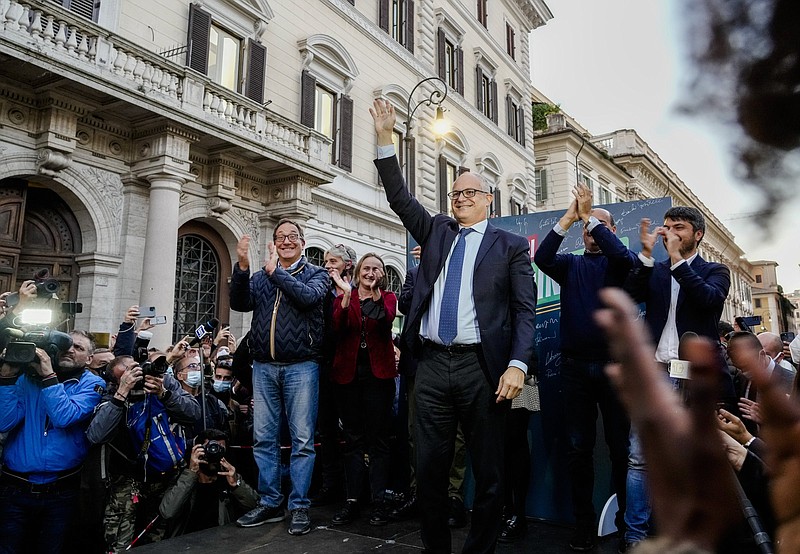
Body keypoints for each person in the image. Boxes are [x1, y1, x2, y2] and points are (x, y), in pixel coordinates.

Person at [370, 98, 538, 554]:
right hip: (429, 367)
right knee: (427, 472)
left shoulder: (510, 247)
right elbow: (400, 198)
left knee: (489, 474)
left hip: (481, 370)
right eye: (455, 193)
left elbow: (526, 310)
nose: (460, 198)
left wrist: (518, 365)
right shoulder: (437, 232)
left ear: (488, 199)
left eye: (469, 193)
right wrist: (385, 138)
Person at [621, 206, 733, 549]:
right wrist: (644, 254)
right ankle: (635, 537)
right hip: (655, 375)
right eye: (666, 226)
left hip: (693, 380)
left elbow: (708, 299)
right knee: (638, 458)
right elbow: (630, 293)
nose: (669, 232)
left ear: (697, 234)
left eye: (678, 227)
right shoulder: (655, 269)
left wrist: (677, 262)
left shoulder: (715, 269)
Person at [533, 183, 635, 550]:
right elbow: (542, 258)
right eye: (587, 228)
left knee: (620, 448)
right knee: (578, 449)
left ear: (610, 231)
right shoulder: (570, 264)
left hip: (614, 368)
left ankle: (627, 527)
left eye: (601, 226)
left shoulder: (620, 265)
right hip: (575, 369)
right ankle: (582, 524)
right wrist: (570, 217)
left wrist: (591, 217)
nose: (591, 232)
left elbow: (623, 257)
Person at [230, 220, 329, 536]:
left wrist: (276, 272)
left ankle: (299, 506)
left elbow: (306, 298)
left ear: (302, 242)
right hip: (264, 368)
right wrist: (243, 268)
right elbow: (239, 303)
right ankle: (271, 502)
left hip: (302, 367)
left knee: (301, 441)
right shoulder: (262, 277)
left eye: (292, 237)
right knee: (264, 439)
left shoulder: (318, 274)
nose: (286, 241)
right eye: (280, 237)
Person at [0, 327, 106, 553]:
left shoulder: (91, 384)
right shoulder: (27, 376)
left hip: (62, 491)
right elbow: (4, 422)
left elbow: (64, 416)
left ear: (89, 358)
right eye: (67, 345)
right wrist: (7, 378)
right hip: (15, 487)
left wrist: (48, 376)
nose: (70, 350)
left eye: (78, 348)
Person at [87, 354, 200, 552]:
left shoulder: (163, 383)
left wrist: (164, 394)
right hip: (127, 478)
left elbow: (194, 413)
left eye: (136, 369)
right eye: (127, 374)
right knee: (119, 541)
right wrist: (122, 393)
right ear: (115, 381)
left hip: (163, 477)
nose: (136, 376)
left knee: (159, 537)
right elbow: (96, 435)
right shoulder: (112, 394)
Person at [328, 252, 398, 527]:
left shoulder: (388, 297)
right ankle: (353, 500)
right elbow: (338, 326)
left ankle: (379, 500)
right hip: (348, 377)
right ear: (357, 273)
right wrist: (346, 297)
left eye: (377, 269)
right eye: (366, 269)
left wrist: (377, 292)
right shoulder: (344, 297)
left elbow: (386, 319)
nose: (371, 273)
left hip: (378, 377)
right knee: (353, 440)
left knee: (378, 439)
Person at [311, 243, 357, 507]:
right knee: (326, 430)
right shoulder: (322, 292)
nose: (327, 265)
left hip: (351, 368)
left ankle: (353, 488)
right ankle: (330, 485)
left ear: (347, 265)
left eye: (333, 261)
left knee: (352, 431)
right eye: (326, 261)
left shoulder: (357, 290)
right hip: (325, 367)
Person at [159, 428, 259, 537]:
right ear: (197, 450)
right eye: (211, 448)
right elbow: (167, 512)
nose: (215, 453)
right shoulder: (182, 479)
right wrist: (191, 473)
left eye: (220, 449)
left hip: (221, 544)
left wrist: (237, 485)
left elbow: (255, 509)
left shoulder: (228, 479)